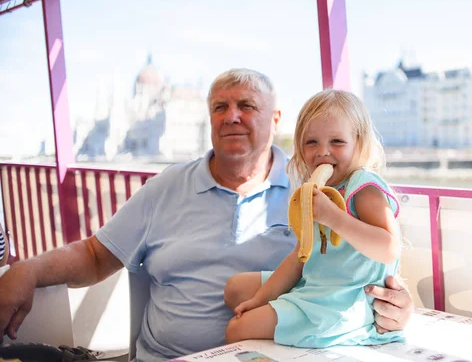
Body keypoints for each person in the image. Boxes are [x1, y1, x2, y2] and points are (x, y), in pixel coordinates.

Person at [0, 69, 413, 361]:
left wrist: (397, 307)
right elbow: (94, 256)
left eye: (247, 105)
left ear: (275, 120)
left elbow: (366, 261)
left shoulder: (320, 193)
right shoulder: (165, 187)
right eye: (220, 106)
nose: (232, 115)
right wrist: (27, 271)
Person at [224, 89, 405, 348]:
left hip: (342, 301)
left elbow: (389, 249)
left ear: (359, 143)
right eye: (312, 143)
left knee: (236, 330)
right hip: (317, 284)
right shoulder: (315, 190)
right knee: (235, 288)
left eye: (337, 142)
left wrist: (334, 218)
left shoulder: (362, 186)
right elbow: (301, 255)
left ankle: (341, 330)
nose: (323, 152)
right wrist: (260, 299)